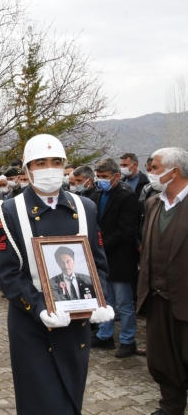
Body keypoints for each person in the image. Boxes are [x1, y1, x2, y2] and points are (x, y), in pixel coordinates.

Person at [0, 134, 112, 415]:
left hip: (76, 322)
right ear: (27, 169)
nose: (49, 168)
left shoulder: (86, 208)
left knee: (71, 397)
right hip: (32, 323)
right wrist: (40, 307)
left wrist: (99, 299)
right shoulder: (9, 211)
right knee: (40, 400)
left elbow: (99, 264)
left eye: (56, 162)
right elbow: (6, 273)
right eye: (40, 162)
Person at [137, 147, 188, 415]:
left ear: (174, 171)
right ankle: (171, 406)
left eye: (155, 168)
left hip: (184, 298)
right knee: (161, 359)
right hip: (156, 297)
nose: (151, 173)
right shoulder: (152, 203)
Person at [89, 158, 139, 357]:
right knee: (104, 299)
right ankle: (104, 335)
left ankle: (128, 340)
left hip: (119, 257)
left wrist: (100, 245)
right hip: (102, 259)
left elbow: (125, 231)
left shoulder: (127, 196)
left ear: (116, 177)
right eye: (98, 176)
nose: (100, 180)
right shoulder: (97, 194)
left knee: (124, 303)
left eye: (104, 177)